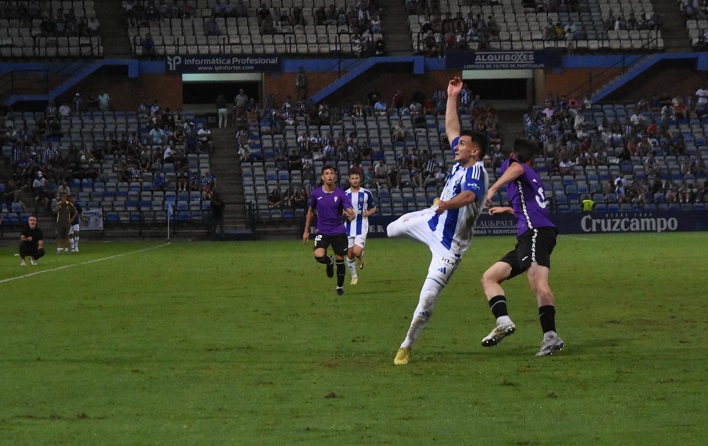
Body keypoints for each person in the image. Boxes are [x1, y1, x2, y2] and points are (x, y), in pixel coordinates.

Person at [388, 76, 489, 365]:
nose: (457, 146)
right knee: (392, 229)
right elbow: (451, 127)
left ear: (475, 151)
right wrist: (452, 96)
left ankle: (406, 344)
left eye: (463, 144)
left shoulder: (476, 171)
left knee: (427, 298)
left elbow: (469, 196)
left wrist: (445, 203)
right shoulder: (461, 161)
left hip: (450, 247)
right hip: (432, 220)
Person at [480, 138, 564, 357]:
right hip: (532, 234)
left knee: (538, 283)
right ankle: (503, 322)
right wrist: (508, 210)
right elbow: (531, 206)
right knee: (490, 277)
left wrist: (492, 189)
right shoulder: (533, 176)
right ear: (533, 159)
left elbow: (516, 168)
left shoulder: (514, 165)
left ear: (512, 156)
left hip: (535, 233)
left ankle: (551, 337)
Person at [302, 166, 356, 296]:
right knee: (319, 256)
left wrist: (351, 214)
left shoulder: (340, 193)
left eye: (332, 173)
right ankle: (328, 261)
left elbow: (350, 211)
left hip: (338, 231)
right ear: (322, 177)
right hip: (322, 231)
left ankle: (339, 287)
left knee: (340, 259)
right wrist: (306, 230)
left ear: (335, 177)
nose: (330, 176)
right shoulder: (316, 194)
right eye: (327, 174)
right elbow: (310, 212)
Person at [344, 171, 377, 285]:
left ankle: (361, 256)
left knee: (356, 251)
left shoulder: (367, 193)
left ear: (360, 180)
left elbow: (373, 208)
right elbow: (340, 210)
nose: (355, 180)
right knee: (349, 254)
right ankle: (354, 277)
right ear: (349, 180)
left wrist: (368, 213)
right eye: (352, 178)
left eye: (357, 178)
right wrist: (344, 214)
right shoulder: (344, 194)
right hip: (348, 227)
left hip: (361, 225)